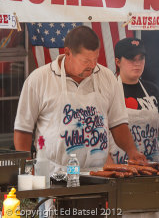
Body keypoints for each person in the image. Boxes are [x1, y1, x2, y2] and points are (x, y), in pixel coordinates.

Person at [14, 25, 145, 174]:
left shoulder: (107, 77)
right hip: (54, 174)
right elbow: (23, 130)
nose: (92, 65)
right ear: (68, 53)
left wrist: (132, 151)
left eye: (95, 59)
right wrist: (26, 168)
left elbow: (118, 123)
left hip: (99, 174)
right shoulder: (38, 80)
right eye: (85, 61)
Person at [109, 37, 159, 164]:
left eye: (141, 58)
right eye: (131, 59)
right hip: (120, 168)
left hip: (152, 168)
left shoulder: (152, 90)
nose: (137, 63)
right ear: (118, 61)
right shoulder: (108, 90)